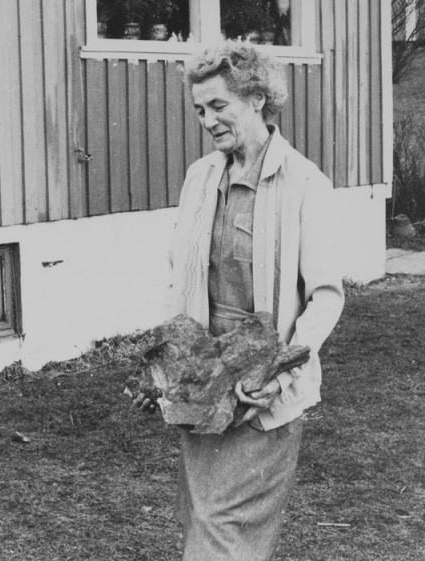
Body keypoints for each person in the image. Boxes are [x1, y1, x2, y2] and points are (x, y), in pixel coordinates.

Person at [135, 41, 345, 560]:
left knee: (223, 536)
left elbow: (325, 298)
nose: (207, 120)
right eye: (200, 110)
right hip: (203, 391)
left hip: (261, 394)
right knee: (200, 521)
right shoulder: (201, 178)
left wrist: (279, 374)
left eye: (218, 106)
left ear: (256, 97)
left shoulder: (305, 183)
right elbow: (179, 280)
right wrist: (162, 369)